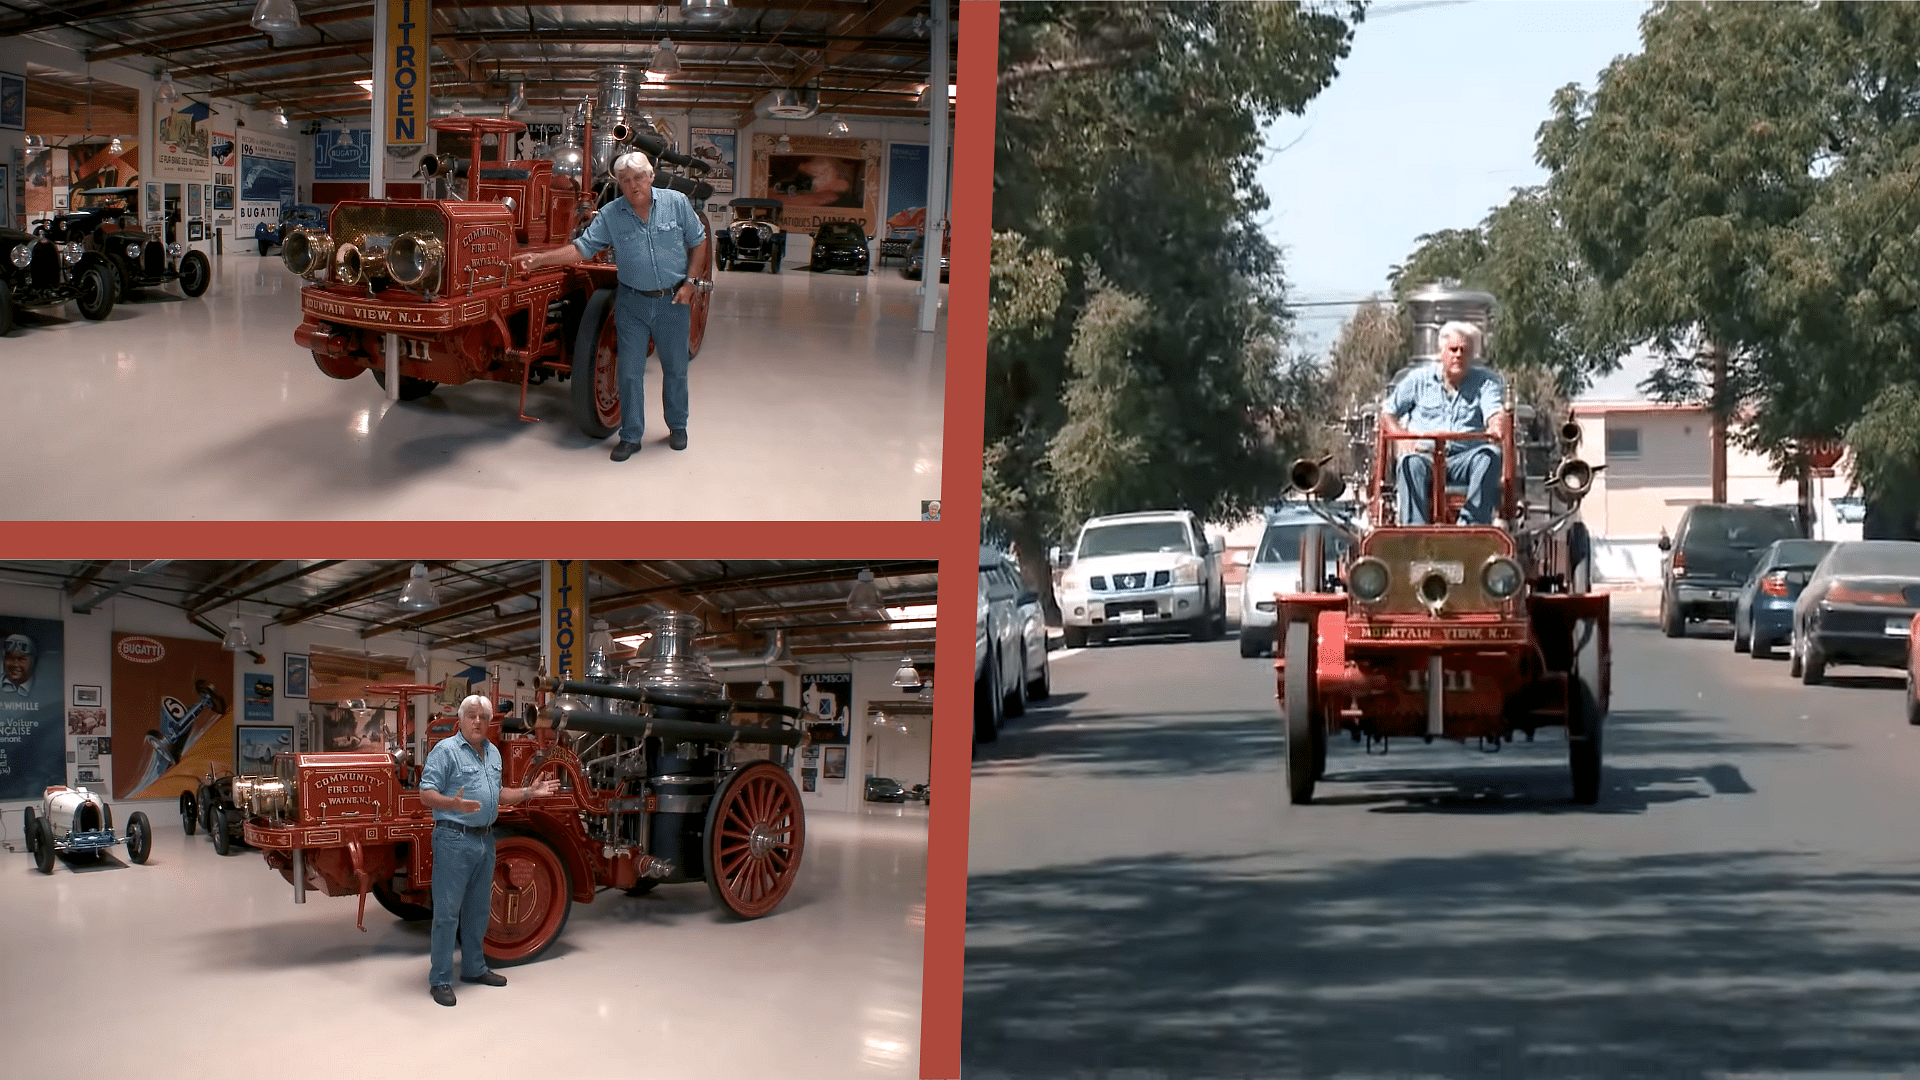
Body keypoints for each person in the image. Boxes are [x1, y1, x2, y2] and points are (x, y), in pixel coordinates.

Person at [513, 152, 713, 462]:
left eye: (638, 178)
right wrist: (540, 259)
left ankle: (677, 426)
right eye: (625, 180)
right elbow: (582, 248)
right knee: (629, 373)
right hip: (631, 302)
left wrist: (690, 283)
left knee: (675, 371)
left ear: (651, 176)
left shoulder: (676, 203)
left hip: (673, 301)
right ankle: (631, 436)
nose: (633, 185)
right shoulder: (611, 214)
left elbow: (699, 241)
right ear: (619, 184)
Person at [416, 694, 560, 1007]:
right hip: (453, 839)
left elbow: (498, 794)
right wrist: (451, 804)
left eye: (483, 716)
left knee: (479, 911)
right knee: (447, 913)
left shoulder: (492, 753)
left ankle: (474, 968)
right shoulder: (446, 751)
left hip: (485, 839)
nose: (478, 721)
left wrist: (528, 792)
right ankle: (440, 979)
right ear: (461, 720)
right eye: (471, 715)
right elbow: (426, 794)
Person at [1379, 321, 1508, 525]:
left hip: (1465, 459)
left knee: (1490, 456)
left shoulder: (1486, 382)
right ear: (1441, 352)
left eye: (1464, 351)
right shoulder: (1418, 380)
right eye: (1453, 349)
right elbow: (1387, 413)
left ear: (1472, 355)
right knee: (1408, 462)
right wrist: (1401, 438)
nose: (1458, 355)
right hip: (1425, 457)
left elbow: (1494, 410)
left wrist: (1495, 424)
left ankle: (1470, 528)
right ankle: (1416, 533)